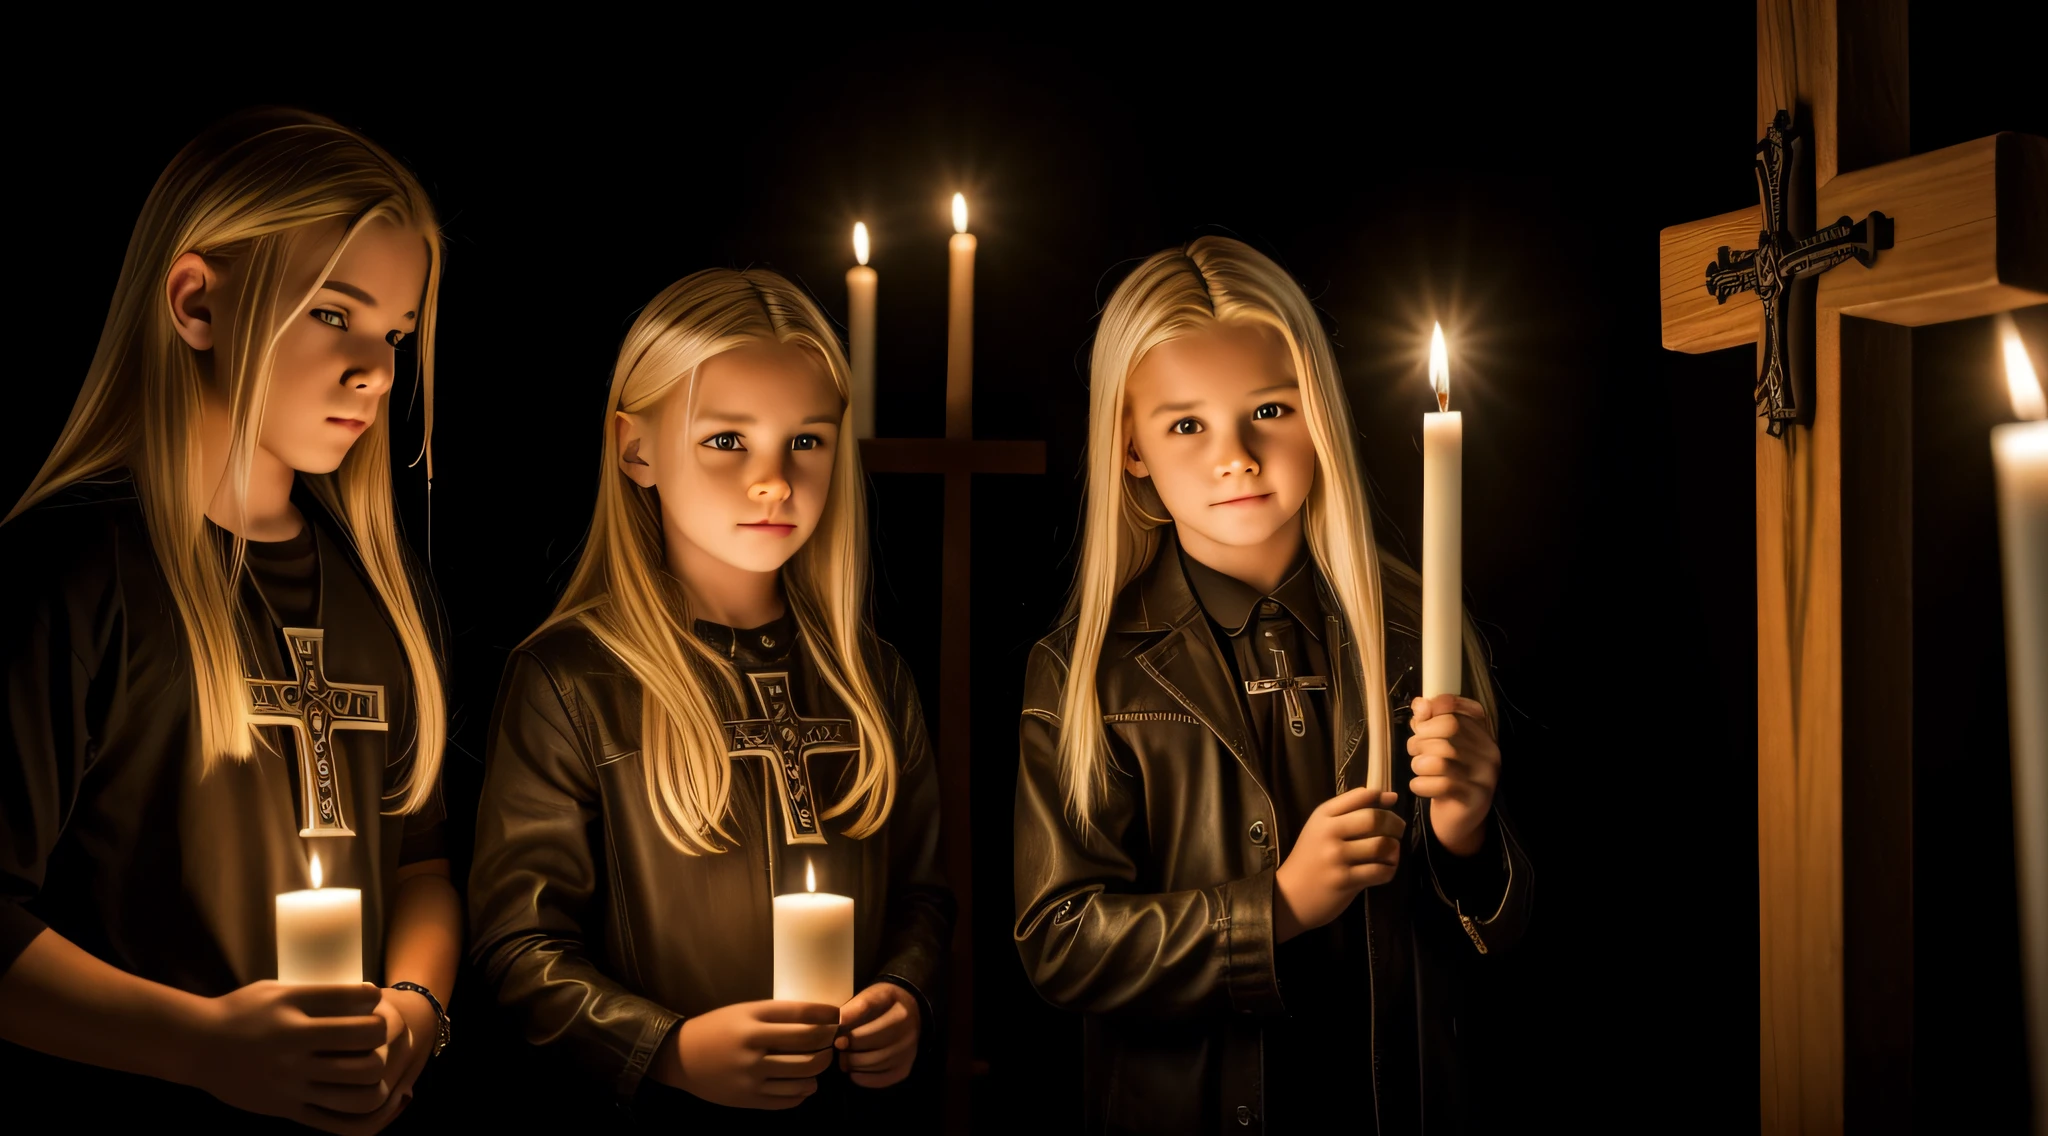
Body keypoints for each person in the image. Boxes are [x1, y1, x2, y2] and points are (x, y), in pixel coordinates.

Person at [0, 108, 459, 1132]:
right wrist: (200, 1044)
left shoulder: (382, 587)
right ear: (199, 303)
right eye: (333, 316)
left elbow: (419, 856)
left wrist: (414, 1011)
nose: (376, 370)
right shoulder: (71, 572)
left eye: (395, 332)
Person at [1013, 236, 1533, 1133]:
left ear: (1319, 414)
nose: (1237, 457)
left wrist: (1464, 841)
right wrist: (1277, 907)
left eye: (1269, 409)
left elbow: (1496, 944)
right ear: (1130, 449)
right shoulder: (1085, 670)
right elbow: (1063, 946)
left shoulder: (1414, 632)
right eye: (1186, 425)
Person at [468, 268, 953, 1129]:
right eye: (728, 442)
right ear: (637, 449)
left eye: (806, 441)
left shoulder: (875, 676)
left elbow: (921, 891)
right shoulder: (570, 678)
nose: (775, 481)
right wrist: (666, 1048)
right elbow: (519, 944)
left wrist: (902, 994)